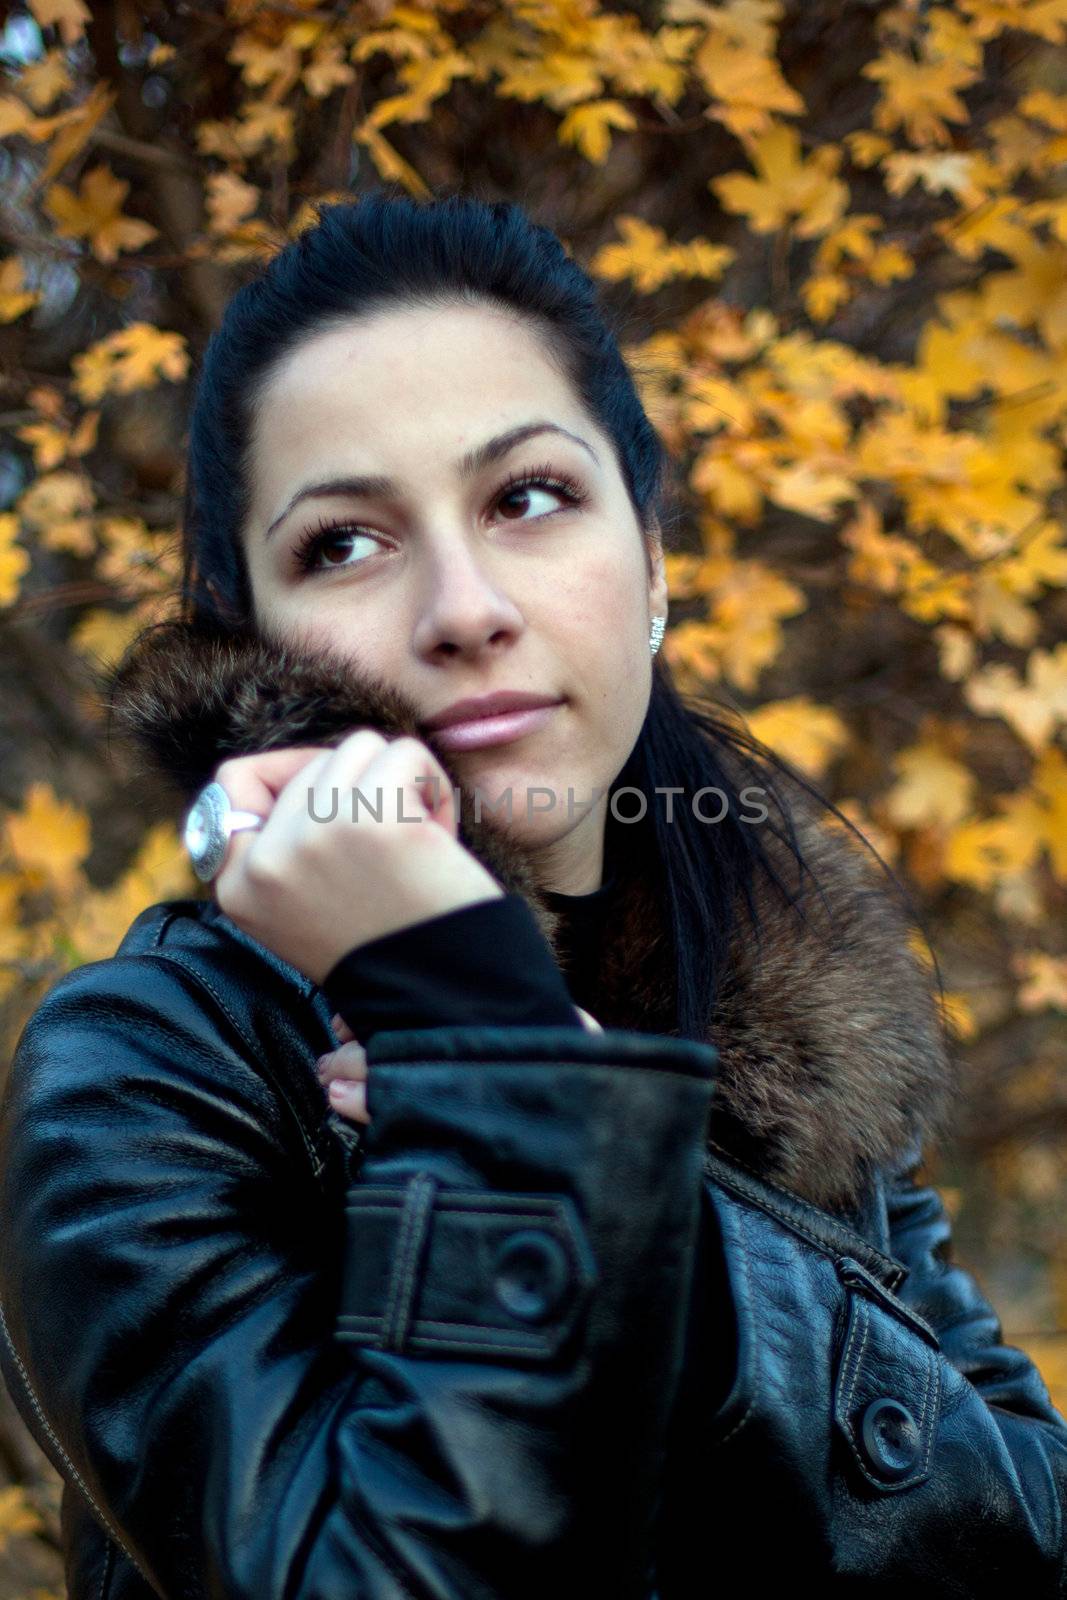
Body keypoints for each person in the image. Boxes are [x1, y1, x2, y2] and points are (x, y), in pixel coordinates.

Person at [1, 191, 1065, 1600]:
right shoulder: (150, 1072)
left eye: (528, 498)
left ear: (654, 567)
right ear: (251, 635)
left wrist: (650, 1213)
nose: (463, 604)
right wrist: (473, 1022)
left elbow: (1032, 1534)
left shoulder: (790, 1032)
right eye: (345, 543)